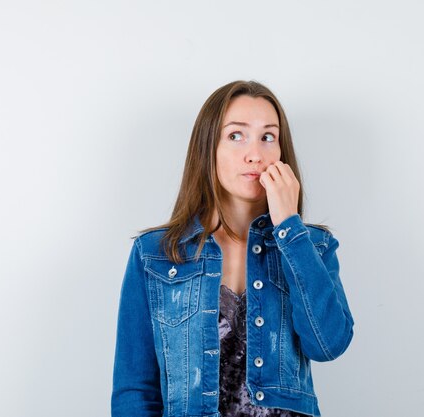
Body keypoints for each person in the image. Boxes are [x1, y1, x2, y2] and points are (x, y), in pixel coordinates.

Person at [111, 80, 355, 417]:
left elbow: (328, 344)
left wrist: (289, 227)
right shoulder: (155, 254)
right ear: (208, 147)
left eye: (268, 137)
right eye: (236, 135)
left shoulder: (312, 246)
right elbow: (135, 389)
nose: (255, 154)